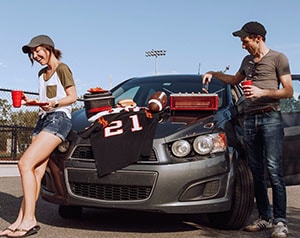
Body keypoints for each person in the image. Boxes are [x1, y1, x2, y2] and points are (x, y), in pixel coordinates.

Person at [202, 22, 293, 238]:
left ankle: (281, 222)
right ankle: (265, 218)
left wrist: (262, 92)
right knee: (256, 172)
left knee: (273, 170)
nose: (243, 45)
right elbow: (234, 80)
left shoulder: (279, 58)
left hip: (270, 117)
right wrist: (213, 73)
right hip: (249, 120)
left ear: (258, 38)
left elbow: (288, 91)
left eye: (245, 41)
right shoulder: (247, 61)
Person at [0, 35, 77, 238]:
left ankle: (30, 220)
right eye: (32, 53)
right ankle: (20, 220)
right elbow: (45, 101)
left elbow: (72, 97)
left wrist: (55, 104)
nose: (35, 55)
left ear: (48, 48)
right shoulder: (42, 74)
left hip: (59, 120)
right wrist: (28, 101)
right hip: (43, 120)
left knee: (24, 163)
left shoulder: (62, 68)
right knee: (34, 172)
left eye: (37, 50)